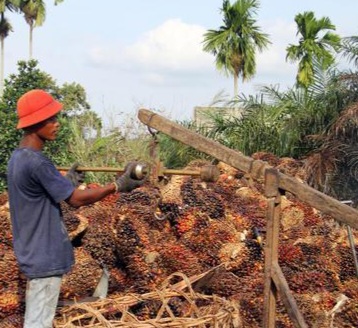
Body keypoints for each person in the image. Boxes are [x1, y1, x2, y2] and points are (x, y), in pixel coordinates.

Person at [6, 89, 145, 328]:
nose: (56, 124)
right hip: (44, 254)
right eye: (50, 119)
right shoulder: (38, 162)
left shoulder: (18, 158)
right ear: (36, 123)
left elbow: (42, 193)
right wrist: (118, 185)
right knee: (38, 322)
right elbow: (76, 201)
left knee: (39, 318)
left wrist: (68, 181)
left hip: (32, 251)